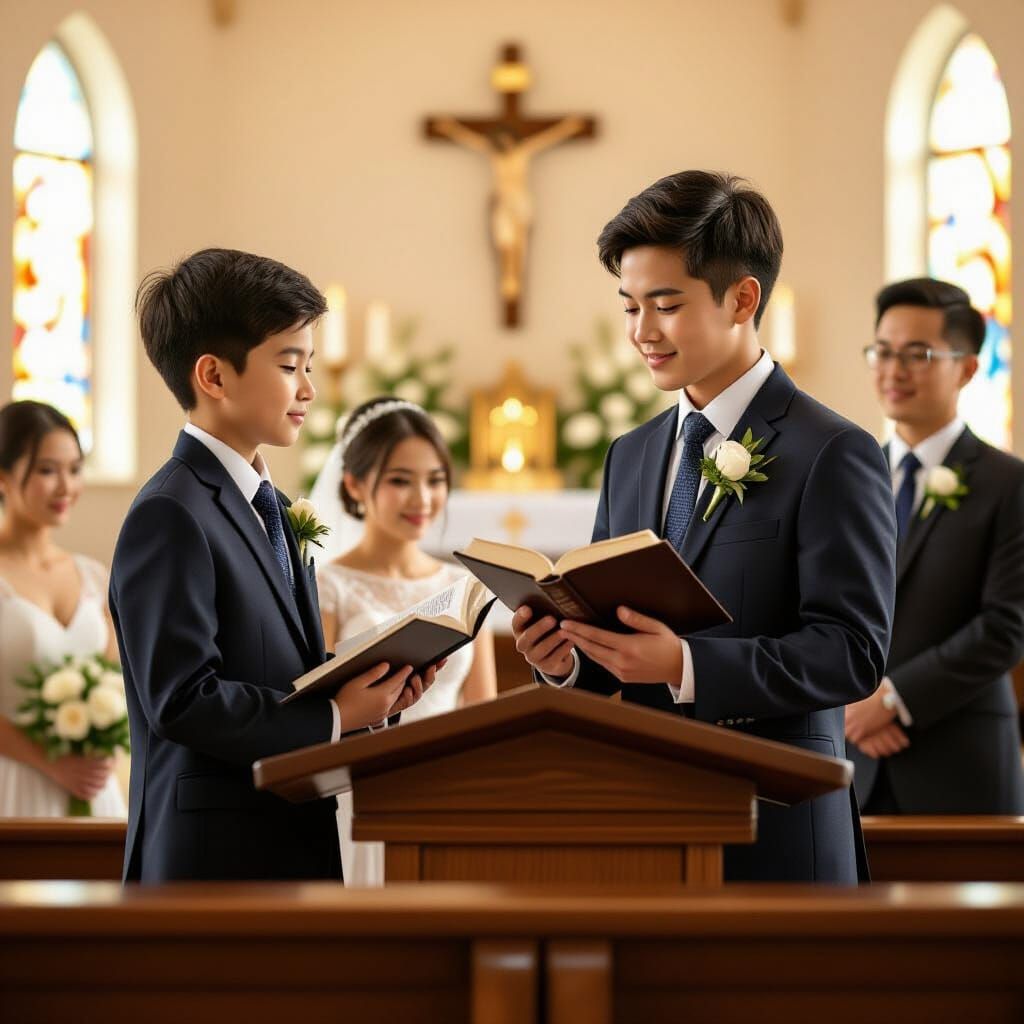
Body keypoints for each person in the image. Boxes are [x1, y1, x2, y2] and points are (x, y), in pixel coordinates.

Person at [513, 170, 896, 882]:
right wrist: (564, 659)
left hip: (781, 825)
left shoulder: (832, 451)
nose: (641, 333)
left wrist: (687, 666)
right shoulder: (631, 456)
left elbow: (851, 653)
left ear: (742, 298)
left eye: (665, 305)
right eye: (630, 306)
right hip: (649, 822)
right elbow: (616, 651)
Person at [111, 249, 436, 882]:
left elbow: (283, 672)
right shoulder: (171, 514)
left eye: (309, 365)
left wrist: (378, 694)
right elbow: (181, 700)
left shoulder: (276, 507)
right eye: (290, 365)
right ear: (214, 376)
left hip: (286, 836)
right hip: (212, 859)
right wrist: (337, 716)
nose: (309, 389)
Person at [846, 277, 1024, 814]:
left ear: (967, 368)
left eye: (917, 354)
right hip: (851, 757)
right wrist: (852, 706)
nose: (893, 370)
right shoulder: (849, 475)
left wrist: (894, 700)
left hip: (960, 759)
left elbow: (1006, 626)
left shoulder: (1007, 483)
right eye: (883, 351)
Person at [314, 396, 497, 885]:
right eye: (400, 480)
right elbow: (315, 715)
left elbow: (482, 712)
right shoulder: (326, 585)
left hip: (450, 796)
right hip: (360, 796)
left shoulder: (466, 584)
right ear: (354, 484)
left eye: (435, 480)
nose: (422, 499)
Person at [0, 400, 125, 817]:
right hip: (13, 784)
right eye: (46, 470)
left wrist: (106, 744)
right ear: (3, 477)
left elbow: (117, 683)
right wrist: (50, 762)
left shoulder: (92, 575)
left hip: (92, 790)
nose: (65, 487)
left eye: (74, 469)